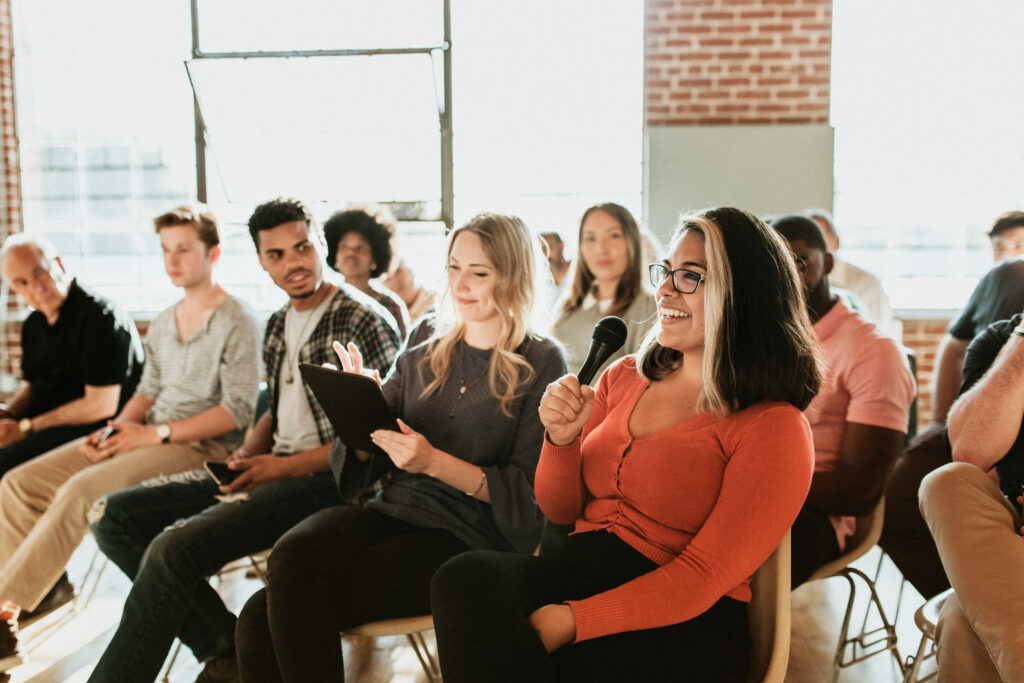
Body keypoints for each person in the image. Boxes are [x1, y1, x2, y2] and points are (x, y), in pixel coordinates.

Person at [430, 207, 823, 682]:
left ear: (746, 294)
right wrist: (561, 440)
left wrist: (572, 621)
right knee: (465, 578)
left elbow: (701, 577)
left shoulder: (774, 426)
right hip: (577, 573)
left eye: (691, 276)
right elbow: (559, 510)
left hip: (680, 621)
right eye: (667, 272)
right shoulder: (626, 375)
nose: (665, 289)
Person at [233, 212, 566, 682]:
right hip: (392, 508)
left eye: (479, 272)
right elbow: (372, 444)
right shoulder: (427, 336)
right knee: (288, 556)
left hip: (463, 535)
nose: (460, 284)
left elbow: (530, 495)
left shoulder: (542, 360)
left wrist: (434, 462)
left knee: (261, 617)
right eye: (453, 267)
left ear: (512, 276)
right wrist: (359, 403)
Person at [85, 198, 400, 683]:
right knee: (113, 518)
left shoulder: (363, 319)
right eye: (275, 255)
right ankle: (225, 647)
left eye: (301, 247)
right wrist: (249, 453)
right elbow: (274, 406)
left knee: (173, 549)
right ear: (260, 261)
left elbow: (377, 441)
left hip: (333, 485)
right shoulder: (276, 323)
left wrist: (277, 467)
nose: (292, 263)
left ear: (322, 245)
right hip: (270, 468)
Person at [0, 205, 263, 670]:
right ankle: (28, 597)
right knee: (18, 483)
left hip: (202, 445)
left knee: (80, 492)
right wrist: (117, 429)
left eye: (183, 249)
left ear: (213, 253)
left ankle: (4, 610)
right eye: (166, 250)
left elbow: (236, 412)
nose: (172, 260)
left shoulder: (238, 318)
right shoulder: (165, 319)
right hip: (148, 433)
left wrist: (152, 434)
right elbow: (147, 390)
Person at [882, 210, 1024, 599]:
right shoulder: (1002, 285)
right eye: (1003, 248)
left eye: (1019, 246)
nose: (1011, 255)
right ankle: (968, 598)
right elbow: (954, 348)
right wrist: (941, 419)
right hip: (979, 409)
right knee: (913, 498)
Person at [770, 215, 914, 585]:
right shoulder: (767, 341)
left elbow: (860, 490)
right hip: (758, 493)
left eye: (800, 263)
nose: (787, 277)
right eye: (775, 266)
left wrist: (753, 490)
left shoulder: (873, 350)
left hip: (818, 514)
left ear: (829, 263)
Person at [919, 308, 1024, 682]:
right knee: (946, 482)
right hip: (1013, 541)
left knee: (962, 622)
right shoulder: (1003, 342)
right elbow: (970, 452)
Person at [0, 234, 143, 478]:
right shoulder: (34, 324)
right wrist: (9, 413)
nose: (36, 288)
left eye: (39, 273)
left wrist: (25, 428)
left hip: (94, 429)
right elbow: (35, 385)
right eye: (22, 282)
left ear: (59, 264)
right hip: (44, 425)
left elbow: (101, 405)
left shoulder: (100, 316)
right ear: (14, 289)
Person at [550, 203, 656, 378]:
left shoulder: (647, 308)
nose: (601, 249)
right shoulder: (568, 303)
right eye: (590, 238)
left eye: (613, 236)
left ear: (632, 242)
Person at [323, 205, 409, 339]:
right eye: (344, 246)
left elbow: (403, 356)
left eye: (360, 247)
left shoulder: (391, 306)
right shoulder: (324, 303)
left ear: (375, 258)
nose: (351, 253)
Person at [805, 208, 894, 330]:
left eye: (818, 243)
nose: (812, 252)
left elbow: (878, 333)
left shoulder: (866, 284)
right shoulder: (800, 283)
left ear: (835, 243)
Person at [382, 257, 434, 323]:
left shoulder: (438, 301)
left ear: (411, 272)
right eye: (387, 279)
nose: (394, 281)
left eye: (398, 271)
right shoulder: (390, 318)